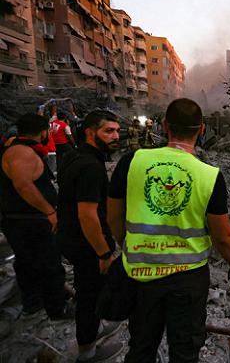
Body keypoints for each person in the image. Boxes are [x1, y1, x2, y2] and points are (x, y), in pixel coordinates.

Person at [107, 98, 230, 362]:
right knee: (184, 351)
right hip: (187, 280)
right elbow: (222, 236)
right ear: (202, 129)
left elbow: (113, 217)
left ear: (165, 126)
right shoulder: (209, 175)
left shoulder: (131, 161)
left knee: (141, 346)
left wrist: (129, 244)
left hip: (140, 273)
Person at [57, 110, 124, 362]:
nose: (115, 136)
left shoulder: (74, 157)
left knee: (91, 291)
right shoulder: (90, 168)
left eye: (117, 130)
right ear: (89, 132)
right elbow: (88, 215)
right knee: (89, 295)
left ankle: (95, 329)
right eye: (108, 131)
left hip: (71, 238)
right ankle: (87, 350)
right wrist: (104, 252)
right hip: (86, 244)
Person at [0, 114, 71, 320]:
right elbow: (23, 184)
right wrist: (49, 211)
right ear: (43, 132)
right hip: (29, 220)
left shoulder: (18, 149)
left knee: (28, 262)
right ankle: (57, 308)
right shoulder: (21, 152)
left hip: (23, 220)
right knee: (48, 263)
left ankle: (34, 302)